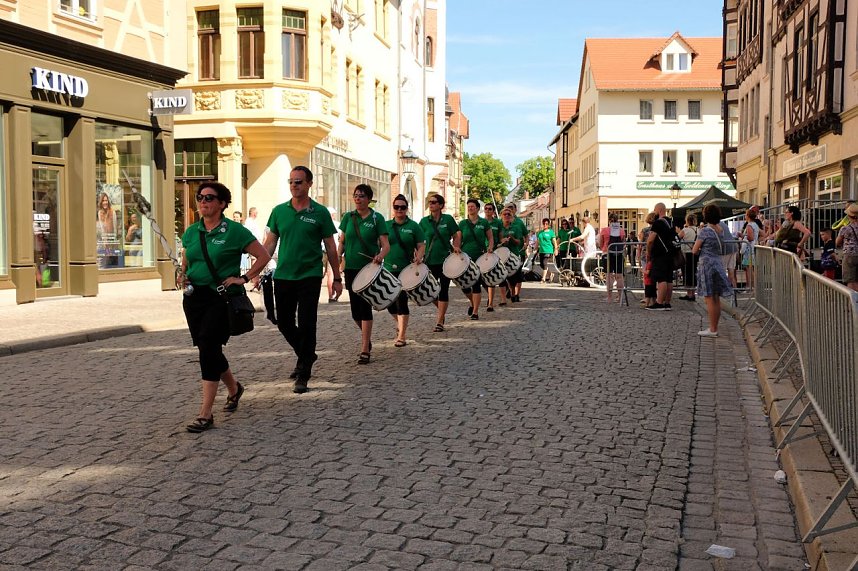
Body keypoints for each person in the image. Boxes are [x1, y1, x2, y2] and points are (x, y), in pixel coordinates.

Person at [179, 181, 271, 432]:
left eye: (209, 198)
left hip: (220, 298)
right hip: (193, 298)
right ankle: (234, 388)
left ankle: (205, 413)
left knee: (208, 346)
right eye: (200, 198)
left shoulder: (234, 231)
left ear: (222, 204)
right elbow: (187, 255)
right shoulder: (192, 230)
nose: (203, 202)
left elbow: (263, 255)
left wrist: (244, 278)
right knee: (207, 347)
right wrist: (183, 273)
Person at [264, 166, 342, 393]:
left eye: (298, 182)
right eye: (291, 182)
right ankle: (307, 354)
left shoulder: (319, 212)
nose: (294, 185)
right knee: (284, 322)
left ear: (309, 184)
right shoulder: (279, 211)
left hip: (310, 275)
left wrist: (337, 277)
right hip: (284, 275)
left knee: (308, 323)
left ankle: (304, 371)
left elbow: (330, 247)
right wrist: (258, 270)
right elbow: (270, 243)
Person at [338, 184, 390, 365]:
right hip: (351, 268)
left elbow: (386, 245)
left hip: (368, 270)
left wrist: (380, 256)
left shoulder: (377, 219)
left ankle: (364, 349)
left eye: (361, 196)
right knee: (354, 312)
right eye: (355, 195)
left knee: (364, 307)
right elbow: (342, 242)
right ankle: (367, 339)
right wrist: (337, 257)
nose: (357, 198)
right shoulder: (348, 217)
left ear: (369, 199)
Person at [385, 194, 425, 346]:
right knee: (389, 303)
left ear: (407, 209)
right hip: (388, 269)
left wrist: (419, 257)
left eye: (402, 207)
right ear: (393, 208)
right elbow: (379, 243)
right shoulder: (386, 225)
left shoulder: (413, 226)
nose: (399, 210)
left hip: (406, 270)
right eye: (397, 207)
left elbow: (421, 245)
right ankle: (400, 324)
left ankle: (401, 335)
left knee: (402, 302)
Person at [419, 193, 461, 331]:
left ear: (441, 205)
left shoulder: (448, 219)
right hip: (429, 260)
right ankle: (441, 311)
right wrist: (417, 255)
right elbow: (418, 241)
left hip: (445, 261)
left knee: (443, 290)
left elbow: (457, 234)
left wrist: (456, 246)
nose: (431, 204)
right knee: (428, 292)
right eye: (430, 202)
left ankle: (440, 321)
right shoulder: (424, 222)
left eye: (434, 202)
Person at [692, 204, 733, 337]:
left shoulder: (705, 231)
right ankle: (714, 327)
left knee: (709, 298)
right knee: (716, 297)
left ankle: (712, 328)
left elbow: (694, 249)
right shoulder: (720, 229)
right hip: (717, 263)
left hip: (707, 264)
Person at [458, 199, 494, 319]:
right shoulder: (462, 224)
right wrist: (456, 248)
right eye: (468, 206)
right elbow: (458, 239)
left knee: (476, 284)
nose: (470, 208)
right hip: (465, 258)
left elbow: (490, 238)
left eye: (472, 206)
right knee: (464, 285)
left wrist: (490, 247)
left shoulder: (484, 223)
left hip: (479, 257)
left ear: (478, 208)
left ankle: (475, 312)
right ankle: (473, 303)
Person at [645, 203, 678, 311]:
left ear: (659, 210)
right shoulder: (670, 222)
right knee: (669, 279)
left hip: (660, 254)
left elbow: (650, 240)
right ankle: (667, 303)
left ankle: (659, 303)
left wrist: (649, 252)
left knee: (661, 279)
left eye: (655, 210)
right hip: (670, 253)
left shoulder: (658, 223)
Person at [498, 207, 525, 304]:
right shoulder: (499, 227)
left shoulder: (516, 228)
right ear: (501, 216)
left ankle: (513, 293)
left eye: (508, 214)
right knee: (501, 277)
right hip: (501, 255)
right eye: (504, 214)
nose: (506, 216)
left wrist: (512, 238)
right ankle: (503, 298)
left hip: (513, 254)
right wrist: (501, 241)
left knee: (513, 277)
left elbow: (518, 242)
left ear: (512, 217)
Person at [599, 213, 625, 303]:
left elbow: (600, 243)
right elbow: (623, 243)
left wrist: (604, 248)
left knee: (609, 276)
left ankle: (609, 297)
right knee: (619, 276)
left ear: (609, 220)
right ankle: (620, 297)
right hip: (619, 254)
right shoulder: (621, 231)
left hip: (607, 253)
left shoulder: (604, 230)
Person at [505, 202, 529, 301]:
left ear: (515, 210)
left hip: (519, 251)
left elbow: (526, 235)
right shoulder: (501, 221)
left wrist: (526, 244)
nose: (509, 210)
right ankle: (510, 290)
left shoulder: (519, 222)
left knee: (518, 274)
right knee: (506, 274)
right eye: (507, 208)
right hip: (506, 252)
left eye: (511, 208)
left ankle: (516, 294)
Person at [483, 202, 503, 312]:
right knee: (482, 278)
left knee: (490, 277)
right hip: (482, 252)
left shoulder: (498, 223)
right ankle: (490, 296)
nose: (487, 210)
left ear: (493, 211)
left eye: (490, 209)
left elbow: (500, 237)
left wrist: (502, 241)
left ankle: (490, 303)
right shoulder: (481, 222)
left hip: (493, 252)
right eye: (486, 208)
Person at [836, 203, 858, 292]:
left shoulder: (846, 228)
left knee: (850, 280)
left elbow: (837, 242)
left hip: (849, 256)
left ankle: (854, 303)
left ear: (849, 216)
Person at [638, 212, 658, 308]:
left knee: (646, 277)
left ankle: (646, 297)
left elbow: (640, 244)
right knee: (654, 277)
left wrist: (638, 255)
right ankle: (654, 297)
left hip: (645, 255)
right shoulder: (659, 230)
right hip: (656, 255)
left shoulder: (645, 230)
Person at [677, 214, 698, 301]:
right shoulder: (698, 230)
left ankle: (689, 294)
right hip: (695, 253)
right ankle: (692, 294)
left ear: (687, 221)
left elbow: (677, 238)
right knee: (693, 272)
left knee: (686, 273)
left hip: (686, 254)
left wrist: (678, 231)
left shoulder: (685, 230)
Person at [323, 207, 341, 302]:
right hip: (331, 250)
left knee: (321, 273)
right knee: (330, 274)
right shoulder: (337, 224)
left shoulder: (321, 221)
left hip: (322, 251)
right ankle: (331, 296)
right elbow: (341, 238)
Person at [741, 209, 761, 290]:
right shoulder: (755, 225)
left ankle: (750, 286)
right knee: (751, 268)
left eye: (746, 215)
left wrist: (743, 236)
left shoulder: (749, 225)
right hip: (754, 248)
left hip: (749, 249)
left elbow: (750, 237)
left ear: (748, 216)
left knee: (749, 269)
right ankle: (753, 286)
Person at [536, 218, 559, 284]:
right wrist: (534, 248)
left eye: (546, 224)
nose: (545, 225)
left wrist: (556, 249)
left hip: (548, 250)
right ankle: (551, 274)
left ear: (548, 224)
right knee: (541, 265)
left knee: (544, 263)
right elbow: (538, 241)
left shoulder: (551, 232)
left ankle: (543, 278)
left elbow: (554, 241)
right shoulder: (540, 232)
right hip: (541, 250)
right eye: (544, 223)